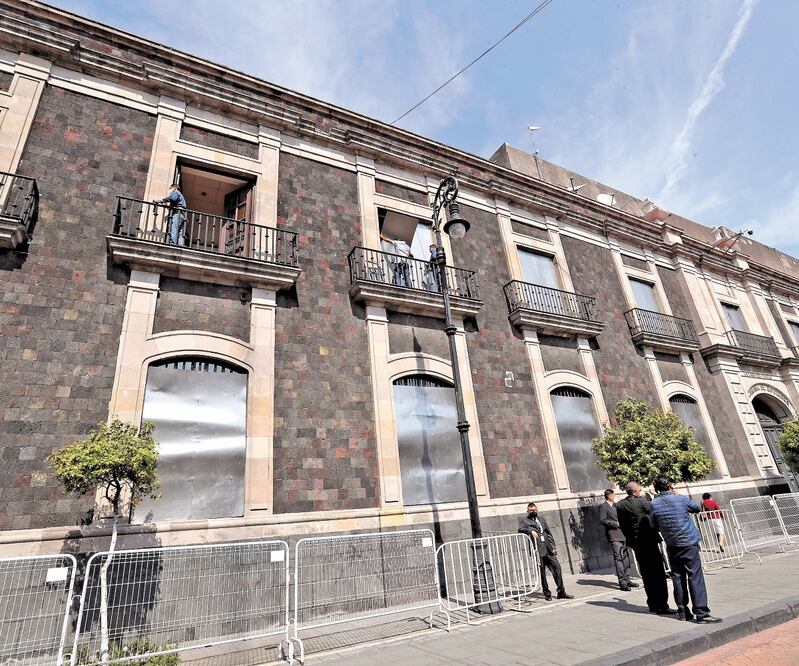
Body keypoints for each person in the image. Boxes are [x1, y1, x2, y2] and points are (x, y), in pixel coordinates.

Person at [649, 478, 722, 623]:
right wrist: (677, 493)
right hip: (688, 542)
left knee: (677, 577)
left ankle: (683, 611)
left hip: (672, 544)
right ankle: (701, 613)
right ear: (669, 486)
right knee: (695, 576)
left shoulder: (654, 504)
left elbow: (653, 525)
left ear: (656, 489)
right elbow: (696, 508)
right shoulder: (680, 499)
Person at [616, 481, 675, 615]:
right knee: (658, 574)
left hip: (636, 543)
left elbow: (623, 525)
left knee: (647, 575)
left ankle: (652, 603)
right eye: (640, 489)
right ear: (636, 491)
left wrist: (630, 540)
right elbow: (655, 513)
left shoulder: (620, 505)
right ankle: (662, 605)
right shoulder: (642, 502)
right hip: (649, 540)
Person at [518, 501, 574, 601]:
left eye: (534, 510)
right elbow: (520, 529)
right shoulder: (525, 521)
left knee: (557, 568)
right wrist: (530, 531)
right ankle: (547, 593)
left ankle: (561, 592)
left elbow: (548, 532)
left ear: (537, 510)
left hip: (548, 548)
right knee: (542, 573)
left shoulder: (541, 519)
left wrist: (553, 546)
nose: (532, 511)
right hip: (538, 550)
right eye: (530, 510)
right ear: (527, 511)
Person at [598, 489, 637, 591]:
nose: (615, 496)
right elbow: (603, 520)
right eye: (614, 494)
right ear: (609, 496)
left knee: (626, 557)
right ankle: (622, 582)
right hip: (614, 535)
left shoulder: (616, 505)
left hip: (623, 534)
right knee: (618, 558)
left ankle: (628, 579)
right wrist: (615, 524)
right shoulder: (603, 507)